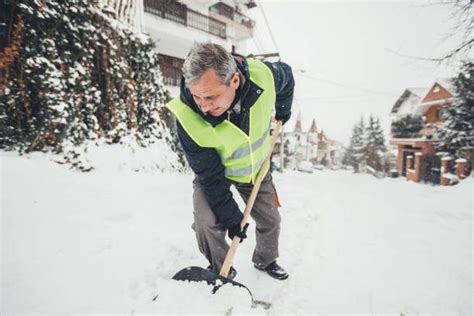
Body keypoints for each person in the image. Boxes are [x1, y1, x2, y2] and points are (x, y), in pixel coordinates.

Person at [166, 42, 294, 280]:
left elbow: (287, 74)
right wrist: (231, 216)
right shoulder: (187, 118)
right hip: (216, 174)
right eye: (197, 96)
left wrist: (283, 109)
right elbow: (210, 177)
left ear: (234, 81)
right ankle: (221, 268)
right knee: (206, 222)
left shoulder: (263, 76)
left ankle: (266, 259)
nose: (203, 107)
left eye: (211, 97)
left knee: (271, 220)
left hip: (255, 171)